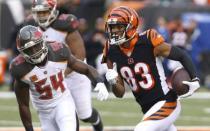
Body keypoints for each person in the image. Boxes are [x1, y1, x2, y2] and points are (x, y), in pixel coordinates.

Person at [102, 6, 200, 131]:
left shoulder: (148, 41)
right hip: (148, 109)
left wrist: (194, 78)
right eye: (112, 27)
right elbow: (119, 93)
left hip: (166, 102)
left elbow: (181, 55)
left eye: (119, 27)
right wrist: (113, 81)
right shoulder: (111, 51)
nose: (114, 31)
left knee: (142, 129)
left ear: (131, 27)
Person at [9, 25, 109, 131]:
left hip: (63, 103)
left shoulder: (58, 52)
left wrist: (99, 81)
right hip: (44, 113)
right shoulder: (20, 69)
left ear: (43, 42)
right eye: (29, 49)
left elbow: (85, 68)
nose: (34, 52)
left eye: (36, 46)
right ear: (22, 52)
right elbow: (23, 104)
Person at [26, 0, 105, 130]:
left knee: (85, 114)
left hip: (75, 72)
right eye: (38, 13)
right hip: (53, 76)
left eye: (44, 12)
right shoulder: (31, 27)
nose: (41, 16)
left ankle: (97, 123)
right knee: (68, 112)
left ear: (53, 10)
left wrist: (61, 72)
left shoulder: (64, 24)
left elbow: (79, 55)